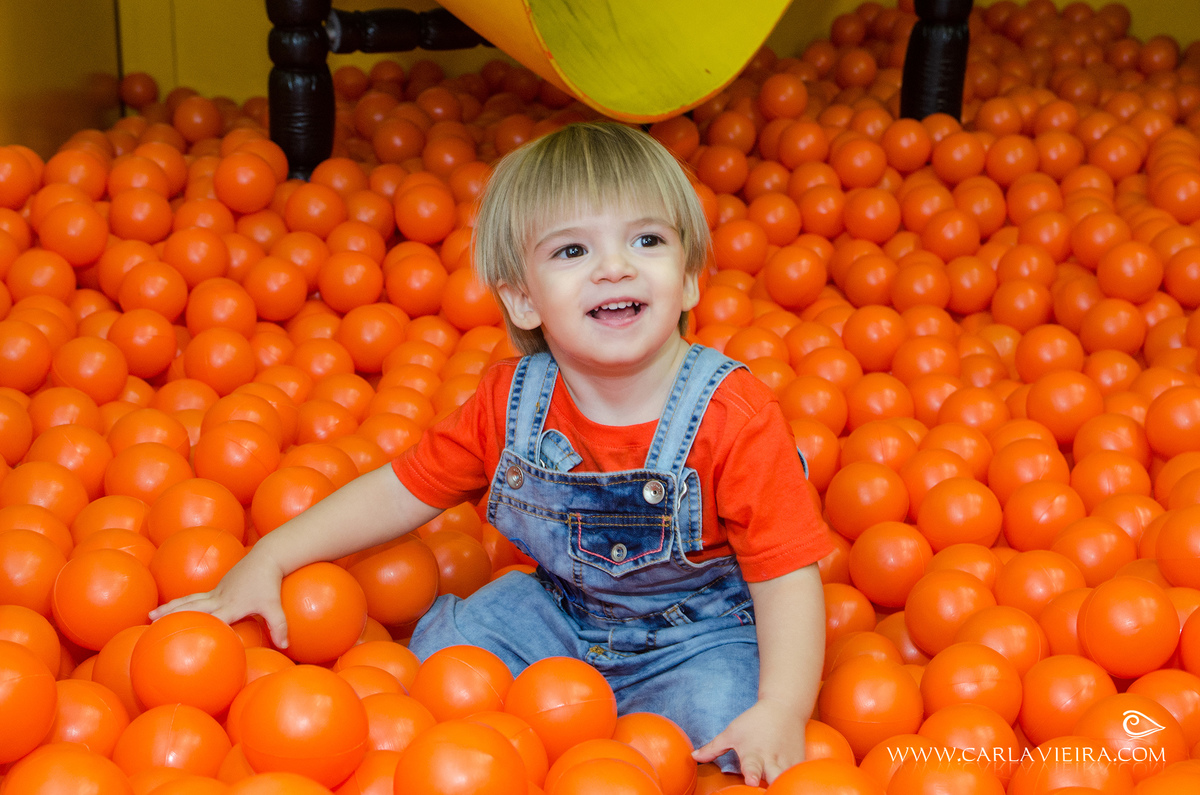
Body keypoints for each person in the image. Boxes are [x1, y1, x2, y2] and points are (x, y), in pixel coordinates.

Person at [153, 122, 831, 785]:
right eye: (572, 252)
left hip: (699, 636)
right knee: (445, 662)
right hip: (562, 614)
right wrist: (270, 555)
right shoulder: (512, 403)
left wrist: (784, 707)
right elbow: (398, 490)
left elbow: (786, 576)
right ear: (521, 298)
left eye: (646, 239)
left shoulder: (734, 416)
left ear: (687, 279)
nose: (614, 266)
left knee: (728, 726)